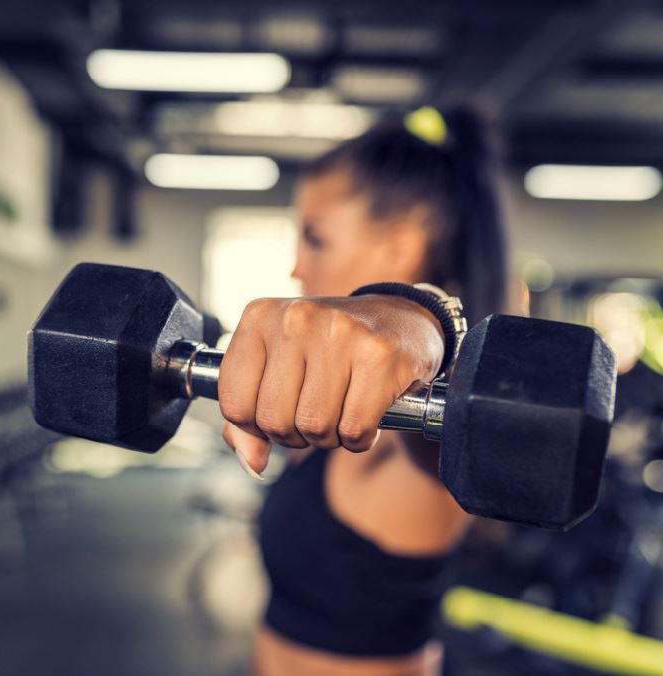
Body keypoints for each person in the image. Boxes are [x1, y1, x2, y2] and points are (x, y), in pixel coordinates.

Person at [216, 106, 509, 676]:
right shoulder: (362, 407)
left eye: (316, 238)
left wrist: (417, 318)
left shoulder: (437, 422)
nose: (298, 267)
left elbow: (425, 350)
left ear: (401, 249)